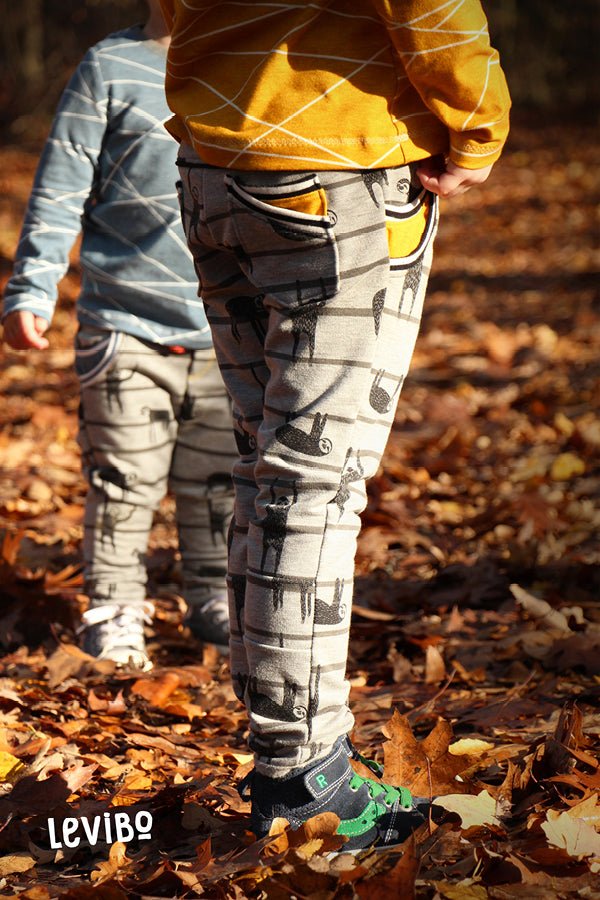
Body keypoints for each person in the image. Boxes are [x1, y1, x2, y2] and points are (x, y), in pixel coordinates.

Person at [159, 0, 511, 848]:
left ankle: (284, 752)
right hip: (340, 173)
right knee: (314, 479)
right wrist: (480, 128)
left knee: (269, 464)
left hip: (215, 165)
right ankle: (303, 774)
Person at [2, 0, 237, 671]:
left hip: (226, 327)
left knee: (218, 479)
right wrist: (32, 287)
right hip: (125, 323)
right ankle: (115, 606)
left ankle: (213, 595)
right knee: (124, 478)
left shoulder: (249, 68)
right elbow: (59, 187)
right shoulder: (110, 66)